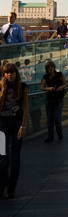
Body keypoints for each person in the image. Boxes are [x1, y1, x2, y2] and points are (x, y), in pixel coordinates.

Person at [0, 63, 29, 199]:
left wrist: (23, 126)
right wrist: (3, 90)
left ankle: (11, 188)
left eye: (11, 72)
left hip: (17, 124)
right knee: (2, 158)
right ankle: (2, 184)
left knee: (15, 157)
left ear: (16, 73)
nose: (9, 75)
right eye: (6, 73)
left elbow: (26, 107)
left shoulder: (22, 87)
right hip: (2, 125)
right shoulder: (1, 86)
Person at [41, 61, 68, 142]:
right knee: (49, 119)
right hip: (49, 100)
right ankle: (50, 136)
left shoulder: (59, 74)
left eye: (51, 67)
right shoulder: (45, 77)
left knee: (56, 118)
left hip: (58, 99)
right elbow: (42, 87)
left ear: (54, 67)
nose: (50, 68)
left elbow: (66, 83)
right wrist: (48, 88)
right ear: (47, 69)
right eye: (49, 67)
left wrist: (61, 87)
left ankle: (59, 133)